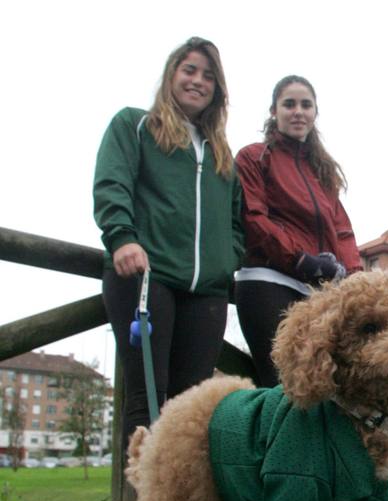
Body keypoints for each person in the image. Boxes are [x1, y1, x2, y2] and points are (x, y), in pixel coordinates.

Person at [93, 37, 244, 449]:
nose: (197, 81)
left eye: (208, 76)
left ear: (218, 89)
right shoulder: (134, 125)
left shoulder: (221, 157)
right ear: (172, 75)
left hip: (206, 293)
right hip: (146, 277)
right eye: (189, 70)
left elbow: (236, 222)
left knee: (189, 408)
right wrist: (122, 236)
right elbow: (112, 183)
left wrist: (226, 260)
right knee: (148, 401)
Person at [234, 75, 362, 387]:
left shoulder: (322, 171)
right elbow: (254, 218)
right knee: (283, 386)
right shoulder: (253, 157)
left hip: (318, 291)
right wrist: (302, 259)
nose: (297, 111)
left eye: (306, 105)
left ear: (315, 113)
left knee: (323, 388)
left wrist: (356, 276)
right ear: (273, 111)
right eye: (289, 104)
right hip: (268, 282)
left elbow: (342, 230)